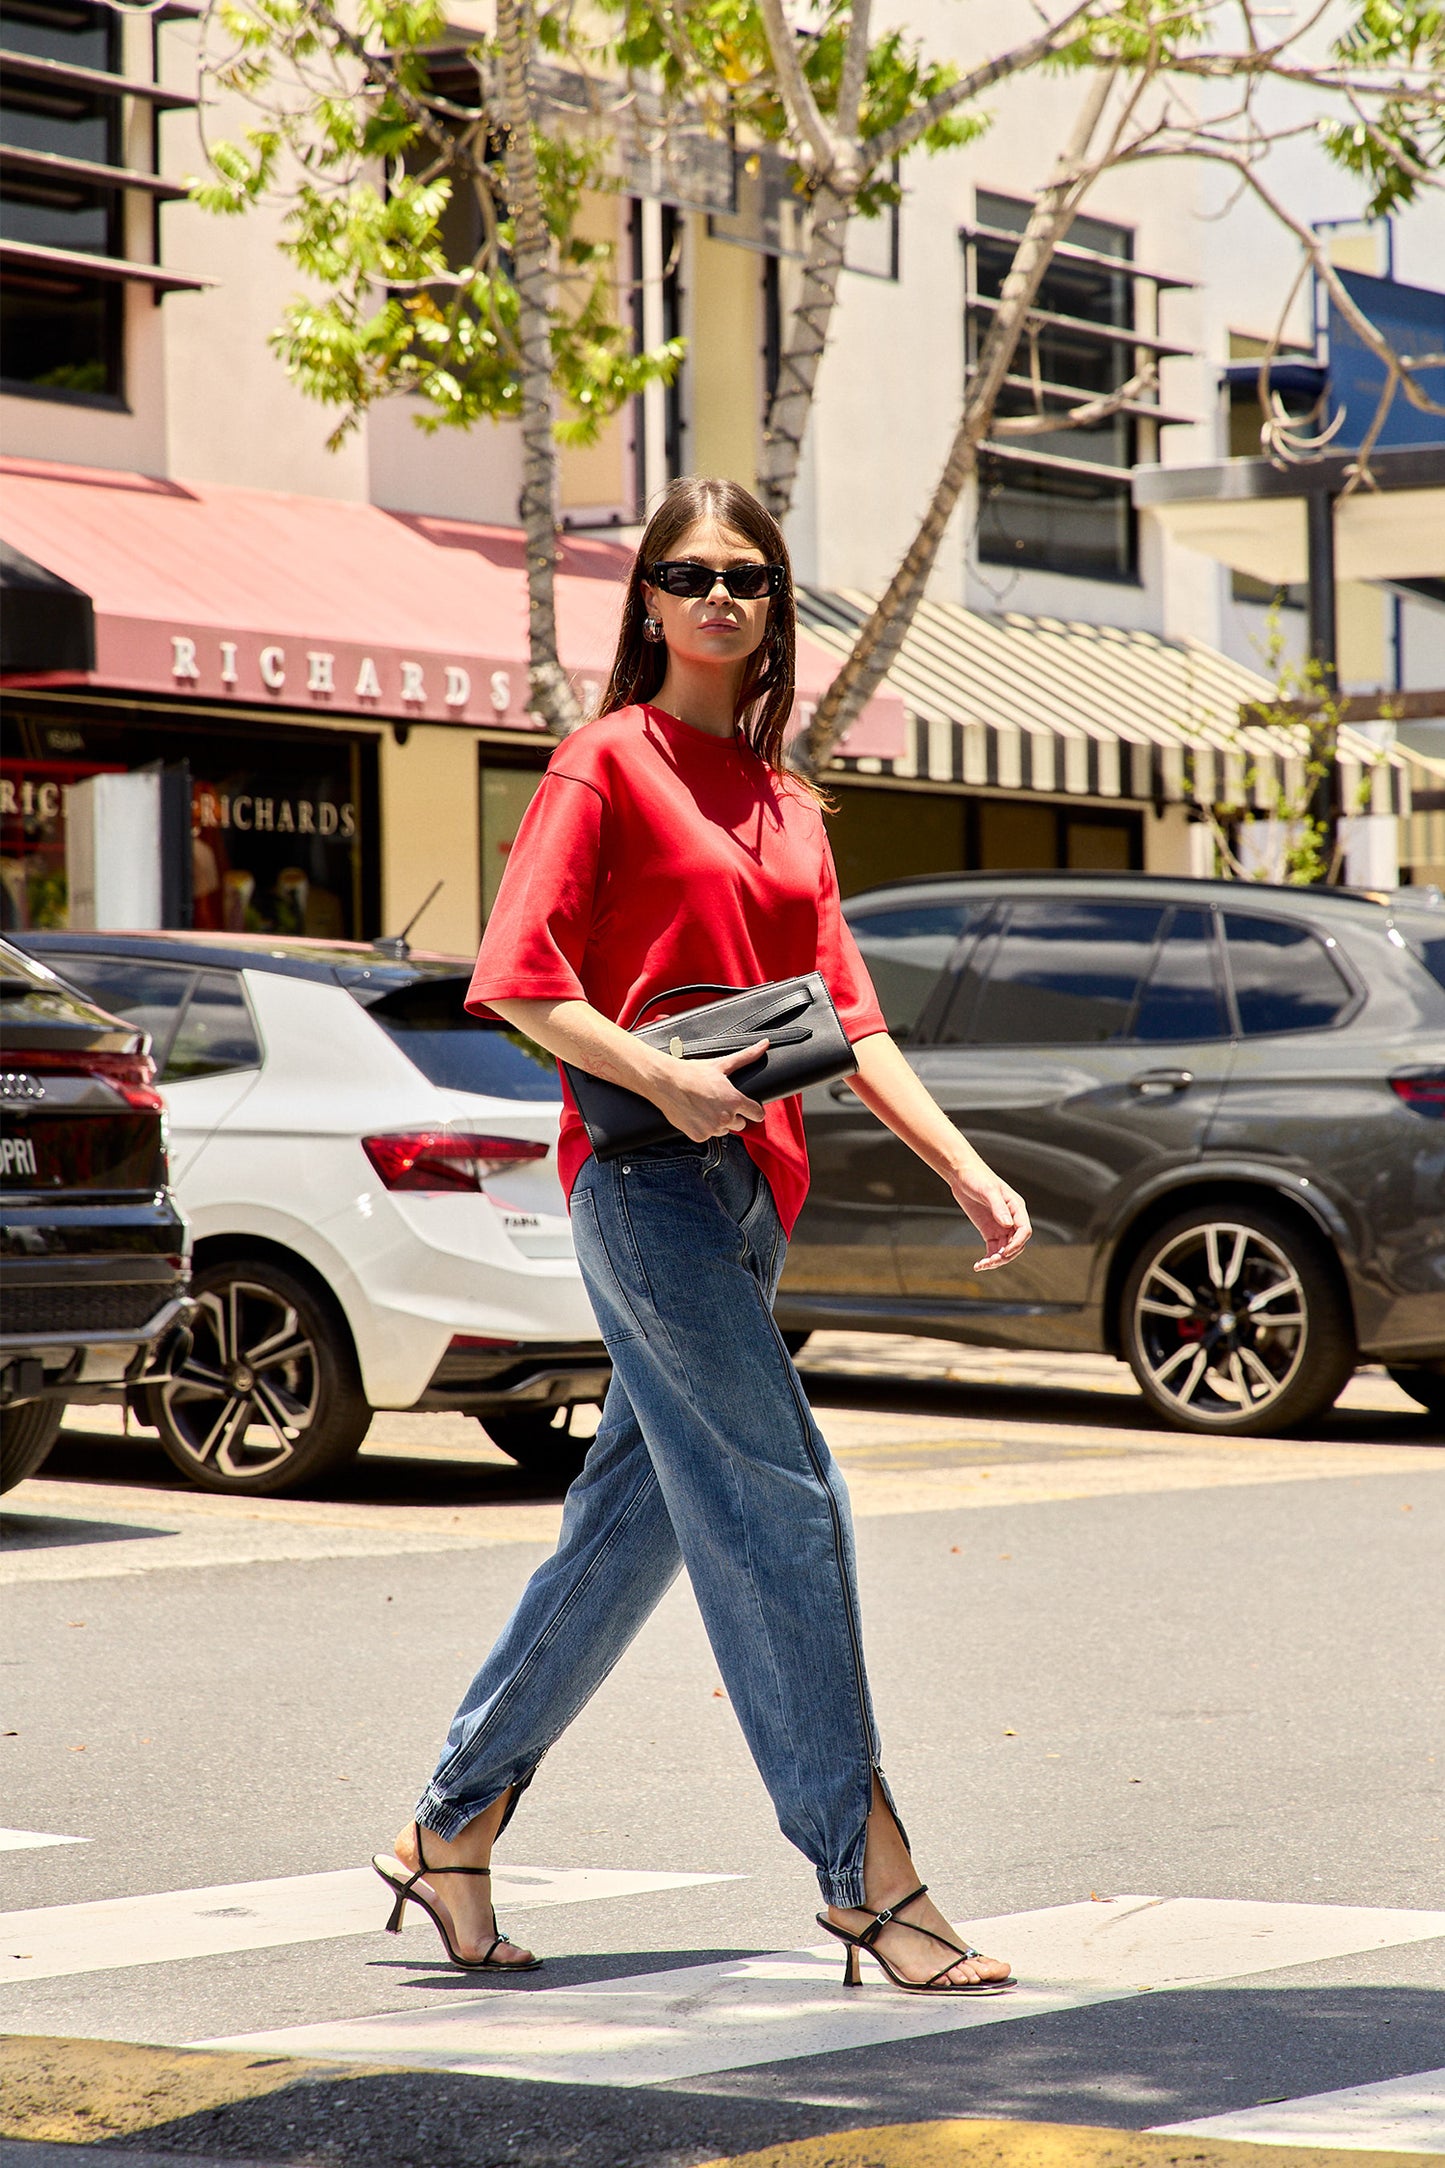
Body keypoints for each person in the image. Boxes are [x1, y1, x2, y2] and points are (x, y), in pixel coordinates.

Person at [374, 477, 1032, 1994]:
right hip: (645, 1186)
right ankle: (866, 1873)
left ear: (773, 606)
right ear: (648, 602)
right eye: (687, 574)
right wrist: (659, 1074)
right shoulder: (602, 765)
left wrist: (963, 1165)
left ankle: (448, 1828)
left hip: (752, 1201)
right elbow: (519, 981)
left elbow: (847, 1019)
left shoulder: (785, 796)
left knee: (631, 1532)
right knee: (782, 1500)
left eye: (746, 577)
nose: (719, 597)